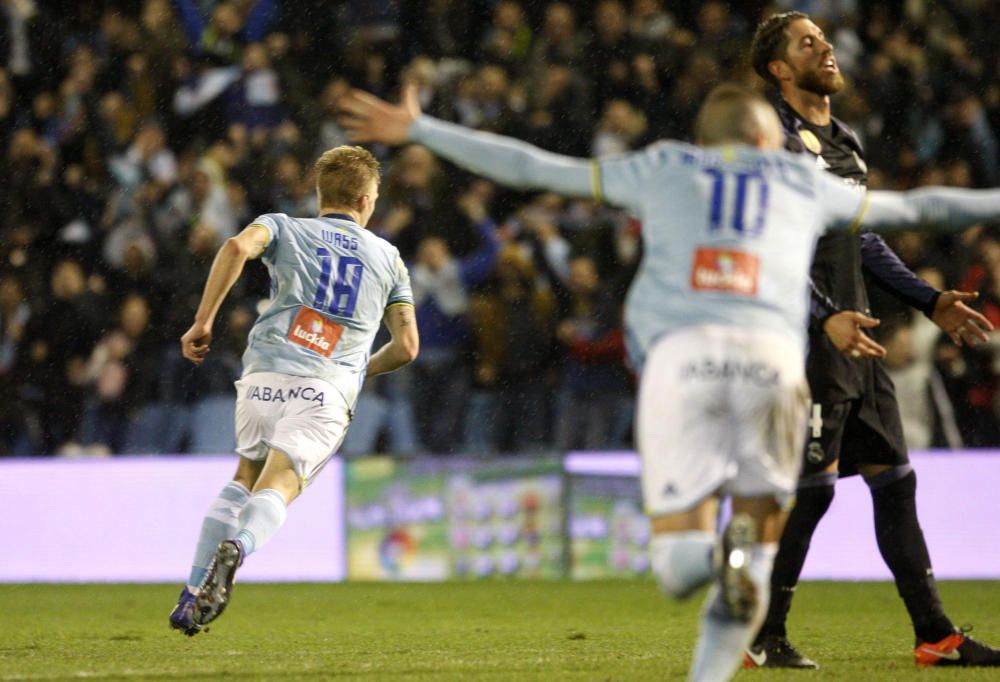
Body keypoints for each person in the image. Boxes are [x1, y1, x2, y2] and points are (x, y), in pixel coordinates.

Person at [337, 81, 1000, 681]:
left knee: (681, 566)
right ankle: (741, 572)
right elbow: (924, 207)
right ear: (769, 137)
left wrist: (425, 130)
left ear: (704, 139)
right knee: (760, 539)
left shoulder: (663, 167)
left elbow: (538, 168)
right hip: (772, 365)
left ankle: (717, 565)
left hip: (683, 362)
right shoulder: (801, 183)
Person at [744, 12, 1000, 669]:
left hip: (857, 337)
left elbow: (863, 240)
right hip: (807, 341)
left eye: (825, 40)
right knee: (815, 487)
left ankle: (935, 635)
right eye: (808, 43)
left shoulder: (846, 142)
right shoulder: (768, 141)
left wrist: (930, 299)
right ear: (778, 69)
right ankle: (759, 633)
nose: (825, 49)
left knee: (895, 480)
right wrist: (821, 314)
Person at [168, 145, 418, 636]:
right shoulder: (388, 258)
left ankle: (191, 594)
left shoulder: (284, 226)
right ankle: (237, 549)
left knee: (245, 475)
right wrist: (358, 370)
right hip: (325, 387)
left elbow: (237, 247)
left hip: (264, 374)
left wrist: (202, 322)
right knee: (280, 484)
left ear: (320, 193)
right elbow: (407, 346)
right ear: (368, 199)